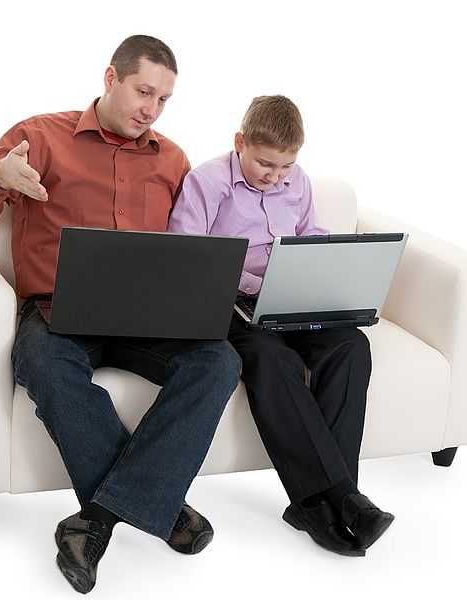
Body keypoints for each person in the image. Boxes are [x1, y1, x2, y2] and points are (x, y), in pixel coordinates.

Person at [0, 35, 242, 594]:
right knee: (38, 359)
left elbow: (192, 245)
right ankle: (161, 504)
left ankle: (95, 521)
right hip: (60, 313)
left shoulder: (173, 159)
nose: (151, 109)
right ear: (111, 79)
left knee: (218, 361)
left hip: (147, 318)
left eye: (163, 99)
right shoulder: (39, 136)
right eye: (143, 91)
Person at [167, 95, 394, 557]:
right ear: (240, 143)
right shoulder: (206, 183)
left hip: (296, 298)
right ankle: (337, 500)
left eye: (286, 167)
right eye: (265, 164)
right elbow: (187, 257)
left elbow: (308, 232)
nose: (275, 176)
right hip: (234, 306)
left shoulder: (299, 182)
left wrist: (326, 262)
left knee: (351, 345)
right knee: (272, 359)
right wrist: (256, 281)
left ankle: (321, 503)